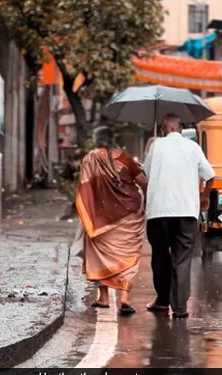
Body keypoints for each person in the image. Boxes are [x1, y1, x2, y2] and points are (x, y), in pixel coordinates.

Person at [143, 113, 215, 319]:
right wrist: (205, 197)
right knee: (182, 259)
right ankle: (180, 308)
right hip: (186, 212)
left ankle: (163, 300)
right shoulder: (192, 148)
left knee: (160, 257)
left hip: (159, 213)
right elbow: (210, 175)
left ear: (164, 129)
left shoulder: (156, 146)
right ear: (180, 129)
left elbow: (144, 176)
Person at [75, 126, 147, 315]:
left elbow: (85, 187)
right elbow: (143, 184)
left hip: (101, 218)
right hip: (130, 215)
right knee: (128, 257)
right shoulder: (126, 158)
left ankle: (104, 298)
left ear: (96, 140)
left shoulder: (90, 158)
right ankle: (125, 298)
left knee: (101, 258)